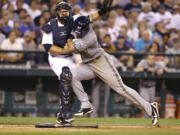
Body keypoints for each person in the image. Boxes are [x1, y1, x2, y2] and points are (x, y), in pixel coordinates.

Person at [57, 15, 160, 126]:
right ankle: (86, 104)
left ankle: (150, 108)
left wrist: (67, 35)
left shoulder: (89, 38)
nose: (78, 31)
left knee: (121, 89)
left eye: (80, 30)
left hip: (101, 62)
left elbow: (69, 48)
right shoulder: (81, 25)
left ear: (86, 28)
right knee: (70, 74)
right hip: (88, 64)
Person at [41, 0, 112, 125]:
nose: (64, 13)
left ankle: (63, 113)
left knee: (71, 79)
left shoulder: (73, 19)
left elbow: (89, 18)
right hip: (56, 58)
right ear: (57, 12)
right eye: (61, 11)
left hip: (71, 57)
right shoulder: (50, 25)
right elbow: (48, 47)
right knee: (66, 75)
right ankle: (66, 111)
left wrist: (101, 12)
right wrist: (67, 49)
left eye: (66, 10)